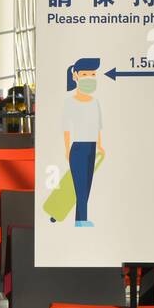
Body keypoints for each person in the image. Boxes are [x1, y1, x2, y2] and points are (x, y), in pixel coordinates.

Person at [62, 58, 104, 227]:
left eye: (93, 74)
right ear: (76, 76)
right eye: (85, 74)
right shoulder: (70, 102)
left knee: (87, 185)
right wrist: (67, 149)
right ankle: (82, 220)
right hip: (78, 147)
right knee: (80, 186)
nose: (90, 78)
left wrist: (100, 145)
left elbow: (98, 126)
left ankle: (80, 220)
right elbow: (66, 128)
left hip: (92, 146)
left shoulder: (95, 102)